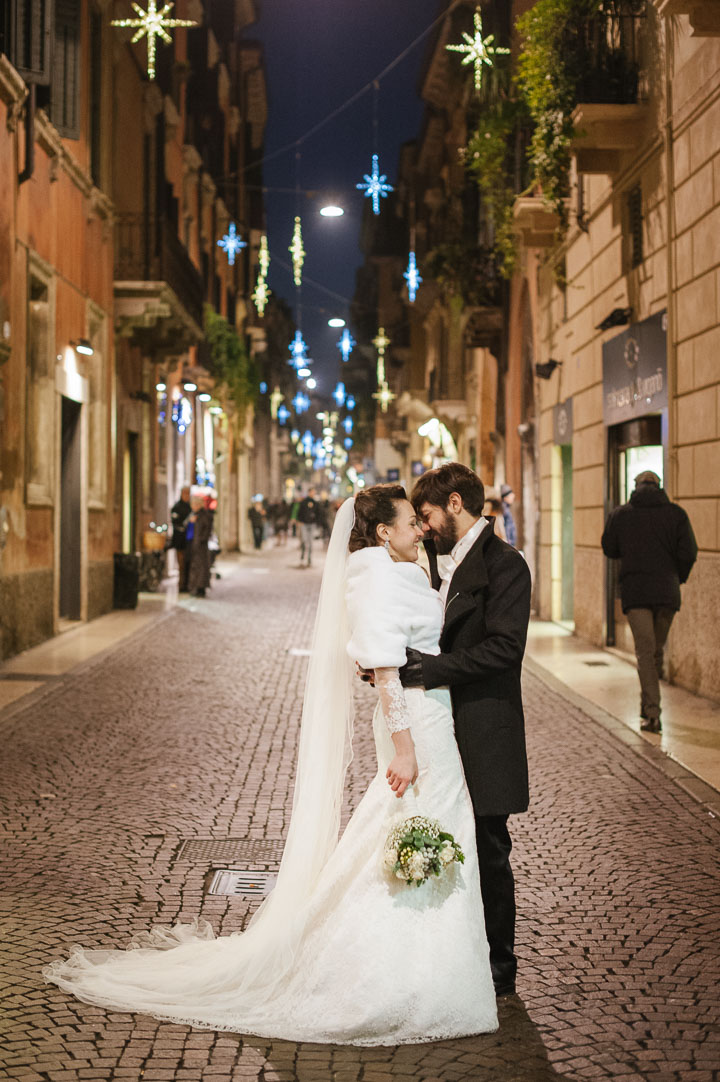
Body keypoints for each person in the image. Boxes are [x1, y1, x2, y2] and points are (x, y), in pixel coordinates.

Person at [43, 486, 498, 1043]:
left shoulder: (400, 568)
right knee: (412, 822)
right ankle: (391, 964)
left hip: (434, 717)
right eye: (409, 522)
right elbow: (383, 670)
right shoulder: (378, 575)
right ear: (383, 532)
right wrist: (404, 748)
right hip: (417, 727)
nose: (419, 529)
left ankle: (428, 959)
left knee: (417, 824)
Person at [398, 462, 531, 998]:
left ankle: (499, 965)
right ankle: (449, 951)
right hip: (439, 726)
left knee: (489, 846)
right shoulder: (428, 561)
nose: (424, 527)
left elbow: (505, 649)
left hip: (484, 724)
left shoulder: (506, 566)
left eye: (427, 514)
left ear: (456, 504)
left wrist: (432, 669)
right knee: (443, 834)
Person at [601, 470, 697, 733]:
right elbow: (689, 552)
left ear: (636, 486)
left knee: (645, 652)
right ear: (659, 486)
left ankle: (652, 713)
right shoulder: (676, 514)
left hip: (637, 592)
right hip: (667, 593)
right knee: (654, 651)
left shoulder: (621, 515)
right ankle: (649, 707)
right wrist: (677, 577)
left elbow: (609, 547)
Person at [186, 493, 213, 598]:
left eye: (194, 504)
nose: (193, 506)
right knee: (195, 566)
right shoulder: (193, 515)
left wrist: (201, 540)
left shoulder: (204, 516)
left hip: (200, 545)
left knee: (201, 566)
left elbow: (206, 530)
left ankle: (200, 587)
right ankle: (195, 587)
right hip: (193, 543)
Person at [170, 485, 192, 591]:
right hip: (180, 541)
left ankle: (188, 584)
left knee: (188, 563)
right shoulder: (176, 507)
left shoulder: (191, 507)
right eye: (185, 493)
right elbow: (175, 522)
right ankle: (181, 585)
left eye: (188, 494)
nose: (187, 496)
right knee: (181, 564)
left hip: (189, 541)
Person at [296, 487, 318, 567]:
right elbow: (300, 512)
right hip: (304, 524)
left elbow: (318, 513)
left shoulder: (315, 503)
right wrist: (300, 521)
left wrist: (316, 521)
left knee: (311, 542)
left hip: (312, 524)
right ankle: (302, 557)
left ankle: (309, 559)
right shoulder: (304, 502)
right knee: (304, 541)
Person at [500, 484, 518, 548]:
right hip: (508, 544)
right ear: (505, 497)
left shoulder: (505, 509)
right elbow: (506, 528)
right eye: (510, 494)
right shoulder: (504, 510)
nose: (513, 496)